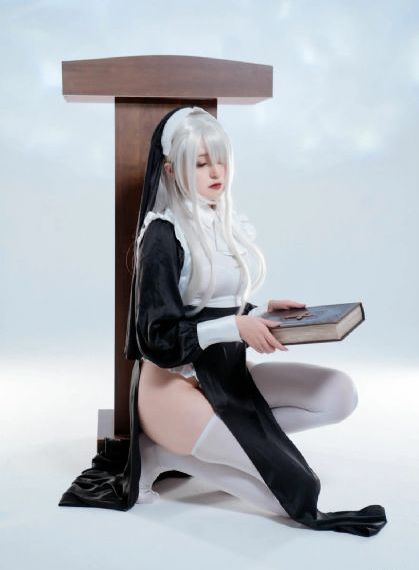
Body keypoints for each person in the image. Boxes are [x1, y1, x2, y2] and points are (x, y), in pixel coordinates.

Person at [59, 105, 386, 536]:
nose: (216, 172)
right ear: (171, 169)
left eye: (220, 160)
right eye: (201, 163)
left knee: (338, 394)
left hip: (226, 375)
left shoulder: (223, 221)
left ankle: (192, 452)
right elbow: (157, 337)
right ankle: (161, 453)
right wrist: (234, 327)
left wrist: (262, 313)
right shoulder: (161, 234)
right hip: (170, 389)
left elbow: (212, 305)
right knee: (285, 494)